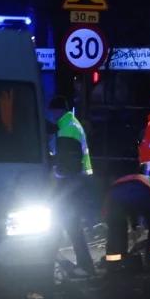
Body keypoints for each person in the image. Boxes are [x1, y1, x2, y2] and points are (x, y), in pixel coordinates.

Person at [45, 95, 96, 278]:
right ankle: (80, 265)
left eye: (51, 111)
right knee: (67, 225)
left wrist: (55, 176)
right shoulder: (69, 125)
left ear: (56, 111)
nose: (50, 115)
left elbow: (66, 162)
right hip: (77, 183)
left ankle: (84, 266)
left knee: (70, 226)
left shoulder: (67, 129)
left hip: (70, 184)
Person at [104, 154, 150, 272]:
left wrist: (135, 224)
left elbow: (128, 206)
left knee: (116, 231)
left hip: (114, 196)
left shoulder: (143, 173)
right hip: (137, 194)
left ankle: (114, 265)